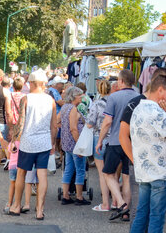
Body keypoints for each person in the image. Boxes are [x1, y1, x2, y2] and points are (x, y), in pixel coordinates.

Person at [128, 74, 166, 233]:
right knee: (156, 217)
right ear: (160, 89)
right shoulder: (157, 112)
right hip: (161, 172)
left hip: (145, 171)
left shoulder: (138, 108)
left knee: (142, 214)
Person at [8, 69, 57, 221]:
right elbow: (54, 125)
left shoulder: (26, 98)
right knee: (42, 175)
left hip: (27, 142)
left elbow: (20, 122)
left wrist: (14, 140)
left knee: (21, 173)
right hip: (44, 142)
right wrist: (53, 143)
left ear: (32, 84)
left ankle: (16, 206)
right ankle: (39, 210)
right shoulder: (50, 100)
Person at [95, 69, 139, 221]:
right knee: (127, 177)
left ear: (121, 81)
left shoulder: (113, 97)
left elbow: (107, 122)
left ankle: (121, 204)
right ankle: (126, 211)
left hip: (115, 140)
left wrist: (100, 140)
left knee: (107, 173)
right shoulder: (139, 97)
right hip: (133, 142)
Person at [60, 86, 91, 206]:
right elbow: (73, 128)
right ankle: (79, 196)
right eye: (80, 95)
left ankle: (66, 195)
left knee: (68, 169)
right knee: (80, 170)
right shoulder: (73, 109)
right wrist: (80, 145)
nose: (82, 97)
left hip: (67, 143)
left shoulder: (64, 107)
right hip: (74, 144)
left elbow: (58, 122)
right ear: (74, 97)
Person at [87, 79, 111, 212]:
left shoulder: (96, 104)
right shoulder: (114, 103)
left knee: (102, 174)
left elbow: (90, 123)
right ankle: (117, 201)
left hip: (99, 139)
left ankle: (105, 203)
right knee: (112, 173)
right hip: (114, 139)